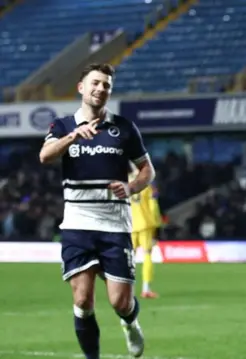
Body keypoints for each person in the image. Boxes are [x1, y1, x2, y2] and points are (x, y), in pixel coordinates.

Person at [39, 63, 155, 359]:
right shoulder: (63, 126)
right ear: (81, 87)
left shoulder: (124, 128)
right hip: (78, 223)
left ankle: (130, 323)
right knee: (82, 299)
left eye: (106, 85)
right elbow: (45, 156)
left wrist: (131, 188)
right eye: (95, 83)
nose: (101, 89)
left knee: (119, 302)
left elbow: (147, 170)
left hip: (115, 224)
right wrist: (73, 138)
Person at [129, 164, 163, 299]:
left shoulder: (126, 183)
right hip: (145, 224)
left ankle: (126, 289)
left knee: (129, 258)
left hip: (129, 225)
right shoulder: (147, 185)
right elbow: (153, 206)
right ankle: (146, 289)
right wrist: (157, 224)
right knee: (147, 255)